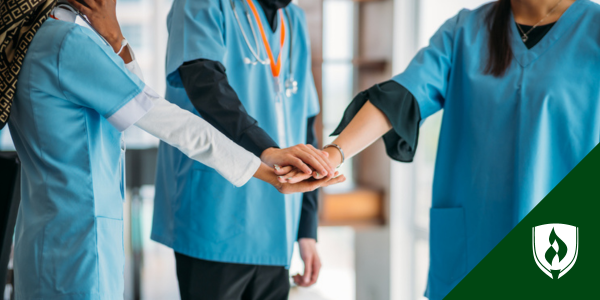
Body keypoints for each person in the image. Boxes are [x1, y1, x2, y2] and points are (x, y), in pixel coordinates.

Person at [0, 0, 345, 298]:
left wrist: (115, 39)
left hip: (55, 240)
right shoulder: (67, 43)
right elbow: (163, 117)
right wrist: (264, 162)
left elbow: (136, 97)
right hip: (79, 249)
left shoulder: (35, 40)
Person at [281, 0, 600, 298]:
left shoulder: (593, 29)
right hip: (474, 244)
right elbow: (404, 95)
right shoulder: (467, 31)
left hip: (560, 246)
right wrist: (331, 156)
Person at [151, 0, 328, 298]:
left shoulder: (294, 18)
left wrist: (306, 229)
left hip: (278, 228)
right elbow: (204, 81)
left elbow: (305, 121)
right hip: (215, 219)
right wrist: (266, 150)